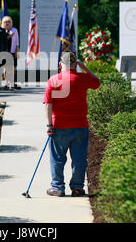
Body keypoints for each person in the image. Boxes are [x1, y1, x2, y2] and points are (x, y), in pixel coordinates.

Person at [43, 51, 101, 197]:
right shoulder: (82, 78)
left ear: (60, 64)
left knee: (57, 158)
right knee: (79, 158)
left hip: (59, 126)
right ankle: (77, 188)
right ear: (76, 64)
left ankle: (57, 187)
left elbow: (48, 104)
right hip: (80, 125)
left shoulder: (53, 80)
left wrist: (49, 125)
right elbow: (97, 83)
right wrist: (85, 67)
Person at [1, 16, 20, 90]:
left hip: (12, 51)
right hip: (4, 52)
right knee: (5, 68)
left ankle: (11, 83)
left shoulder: (14, 30)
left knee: (12, 68)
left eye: (8, 22)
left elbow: (17, 42)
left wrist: (16, 51)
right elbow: (2, 40)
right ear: (3, 23)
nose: (7, 23)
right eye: (5, 22)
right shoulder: (1, 31)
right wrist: (9, 36)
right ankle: (6, 83)